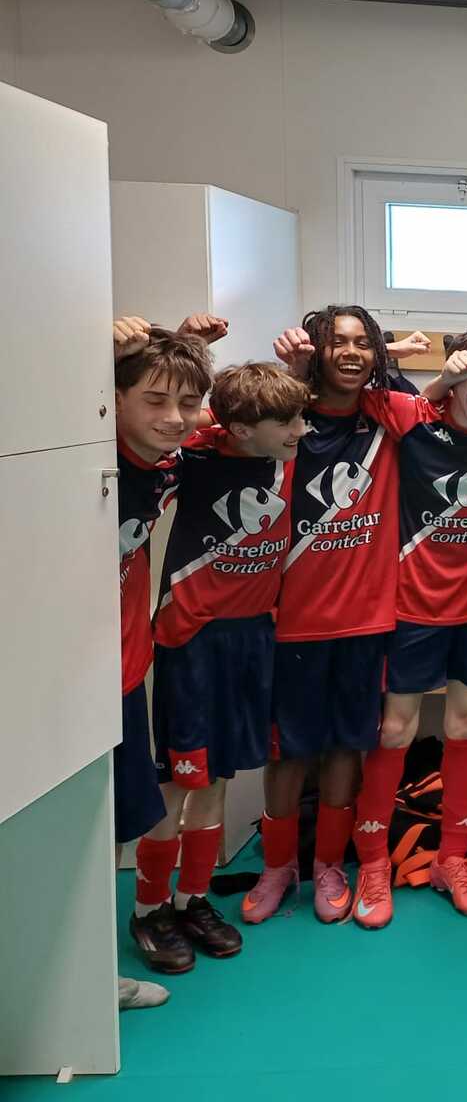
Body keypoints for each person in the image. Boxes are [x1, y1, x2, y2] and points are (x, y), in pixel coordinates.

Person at [129, 361, 308, 970]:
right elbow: (174, 429)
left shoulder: (287, 458)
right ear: (239, 428)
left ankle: (192, 899)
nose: (299, 430)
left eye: (299, 417)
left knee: (218, 780)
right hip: (193, 642)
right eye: (285, 421)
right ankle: (150, 909)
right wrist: (209, 417)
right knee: (176, 781)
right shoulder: (195, 460)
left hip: (253, 638)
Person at [348, 332, 467, 928]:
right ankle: (373, 862)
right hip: (415, 606)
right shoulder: (414, 419)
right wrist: (424, 370)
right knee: (395, 729)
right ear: (453, 376)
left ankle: (454, 858)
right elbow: (357, 386)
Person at [243, 307, 418, 924]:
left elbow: (447, 409)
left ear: (377, 354)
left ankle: (327, 865)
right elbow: (226, 424)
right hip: (294, 620)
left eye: (362, 343)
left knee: (347, 746)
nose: (350, 352)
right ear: (316, 350)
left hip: (367, 620)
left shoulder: (386, 415)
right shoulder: (285, 421)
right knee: (288, 752)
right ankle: (277, 867)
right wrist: (290, 375)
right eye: (337, 342)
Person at [110, 315, 220, 988]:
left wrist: (180, 347)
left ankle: (91, 975)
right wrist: (102, 349)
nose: (175, 418)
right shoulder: (86, 456)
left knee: (110, 828)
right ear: (112, 397)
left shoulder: (171, 463)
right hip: (57, 679)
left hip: (124, 668)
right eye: (154, 401)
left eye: (186, 402)